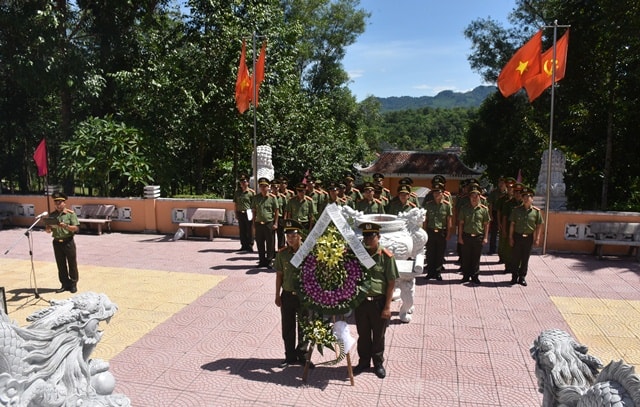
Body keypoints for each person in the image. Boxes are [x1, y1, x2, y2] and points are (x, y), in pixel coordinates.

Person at [353, 222, 399, 379]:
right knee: (363, 334)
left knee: (378, 335)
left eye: (371, 236)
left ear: (378, 237)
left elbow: (391, 282)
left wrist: (387, 306)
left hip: (378, 302)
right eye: (365, 236)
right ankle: (363, 361)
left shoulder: (386, 256)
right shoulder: (360, 255)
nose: (368, 239)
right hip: (362, 302)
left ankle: (378, 363)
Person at [274, 219, 311, 368]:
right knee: (288, 327)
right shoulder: (282, 254)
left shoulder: (308, 252)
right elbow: (279, 275)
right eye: (287, 236)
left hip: (304, 296)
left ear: (300, 235)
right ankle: (289, 356)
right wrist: (277, 294)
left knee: (305, 327)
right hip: (287, 295)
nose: (290, 238)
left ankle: (302, 355)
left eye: (293, 235)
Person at [45, 192, 80, 293]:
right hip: (57, 242)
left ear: (64, 203)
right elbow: (48, 231)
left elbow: (76, 228)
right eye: (56, 203)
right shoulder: (52, 215)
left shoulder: (70, 214)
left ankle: (73, 283)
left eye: (60, 203)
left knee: (72, 263)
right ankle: (64, 284)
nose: (58, 205)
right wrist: (48, 228)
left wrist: (66, 226)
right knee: (60, 264)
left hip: (68, 241)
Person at [508, 187, 543, 286]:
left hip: (528, 237)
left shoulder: (536, 212)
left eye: (529, 196)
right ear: (522, 199)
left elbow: (539, 225)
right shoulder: (516, 210)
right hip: (517, 236)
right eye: (525, 197)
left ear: (532, 199)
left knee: (525, 258)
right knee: (515, 258)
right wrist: (510, 237)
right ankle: (514, 277)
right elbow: (512, 225)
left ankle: (522, 277)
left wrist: (537, 238)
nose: (526, 198)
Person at [457, 185, 490, 284]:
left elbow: (486, 224)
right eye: (472, 196)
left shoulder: (484, 209)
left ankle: (475, 276)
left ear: (479, 197)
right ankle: (466, 276)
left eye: (476, 196)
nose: (474, 198)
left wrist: (485, 237)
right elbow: (461, 224)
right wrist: (459, 237)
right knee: (466, 257)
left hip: (478, 237)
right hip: (466, 236)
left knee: (476, 258)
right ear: (469, 197)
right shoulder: (464, 209)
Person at [423, 182, 453, 281]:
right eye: (434, 192)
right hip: (430, 231)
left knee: (440, 253)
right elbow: (425, 221)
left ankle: (438, 272)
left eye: (438, 192)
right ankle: (430, 272)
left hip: (441, 232)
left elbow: (449, 221)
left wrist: (449, 233)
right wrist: (424, 233)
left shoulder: (447, 205)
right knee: (430, 253)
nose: (436, 194)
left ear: (442, 193)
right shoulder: (428, 205)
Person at [252, 177, 279, 268]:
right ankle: (262, 261)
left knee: (270, 243)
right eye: (261, 186)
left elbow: (276, 211)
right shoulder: (256, 198)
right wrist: (253, 223)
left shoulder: (272, 198)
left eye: (265, 186)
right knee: (259, 243)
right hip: (259, 223)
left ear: (268, 187)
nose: (263, 188)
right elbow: (254, 211)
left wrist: (275, 223)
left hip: (269, 223)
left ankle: (269, 261)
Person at [233, 174, 255, 252]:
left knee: (249, 230)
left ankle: (250, 245)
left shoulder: (251, 193)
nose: (242, 183)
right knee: (242, 230)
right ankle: (243, 245)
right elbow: (235, 203)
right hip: (240, 212)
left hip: (248, 212)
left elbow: (254, 205)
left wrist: (253, 214)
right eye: (241, 181)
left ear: (248, 182)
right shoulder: (237, 192)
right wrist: (235, 213)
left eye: (244, 181)